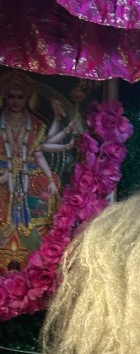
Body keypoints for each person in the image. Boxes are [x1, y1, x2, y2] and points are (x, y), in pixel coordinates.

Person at [0, 69, 77, 267]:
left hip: (27, 175)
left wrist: (50, 180)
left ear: (27, 98)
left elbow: (38, 154)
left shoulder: (35, 125)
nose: (15, 101)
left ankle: (35, 253)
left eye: (20, 96)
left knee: (48, 195)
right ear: (4, 98)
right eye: (11, 96)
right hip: (2, 175)